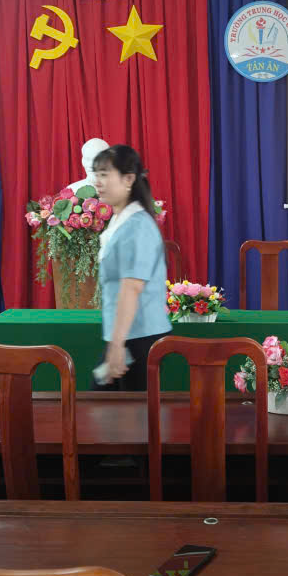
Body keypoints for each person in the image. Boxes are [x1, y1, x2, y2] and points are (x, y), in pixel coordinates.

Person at [92, 144, 171, 391]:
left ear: (128, 179)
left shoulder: (137, 226)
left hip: (139, 337)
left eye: (104, 174)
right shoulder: (120, 220)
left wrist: (117, 345)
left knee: (129, 411)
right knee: (107, 407)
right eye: (97, 174)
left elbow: (131, 288)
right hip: (126, 334)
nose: (97, 182)